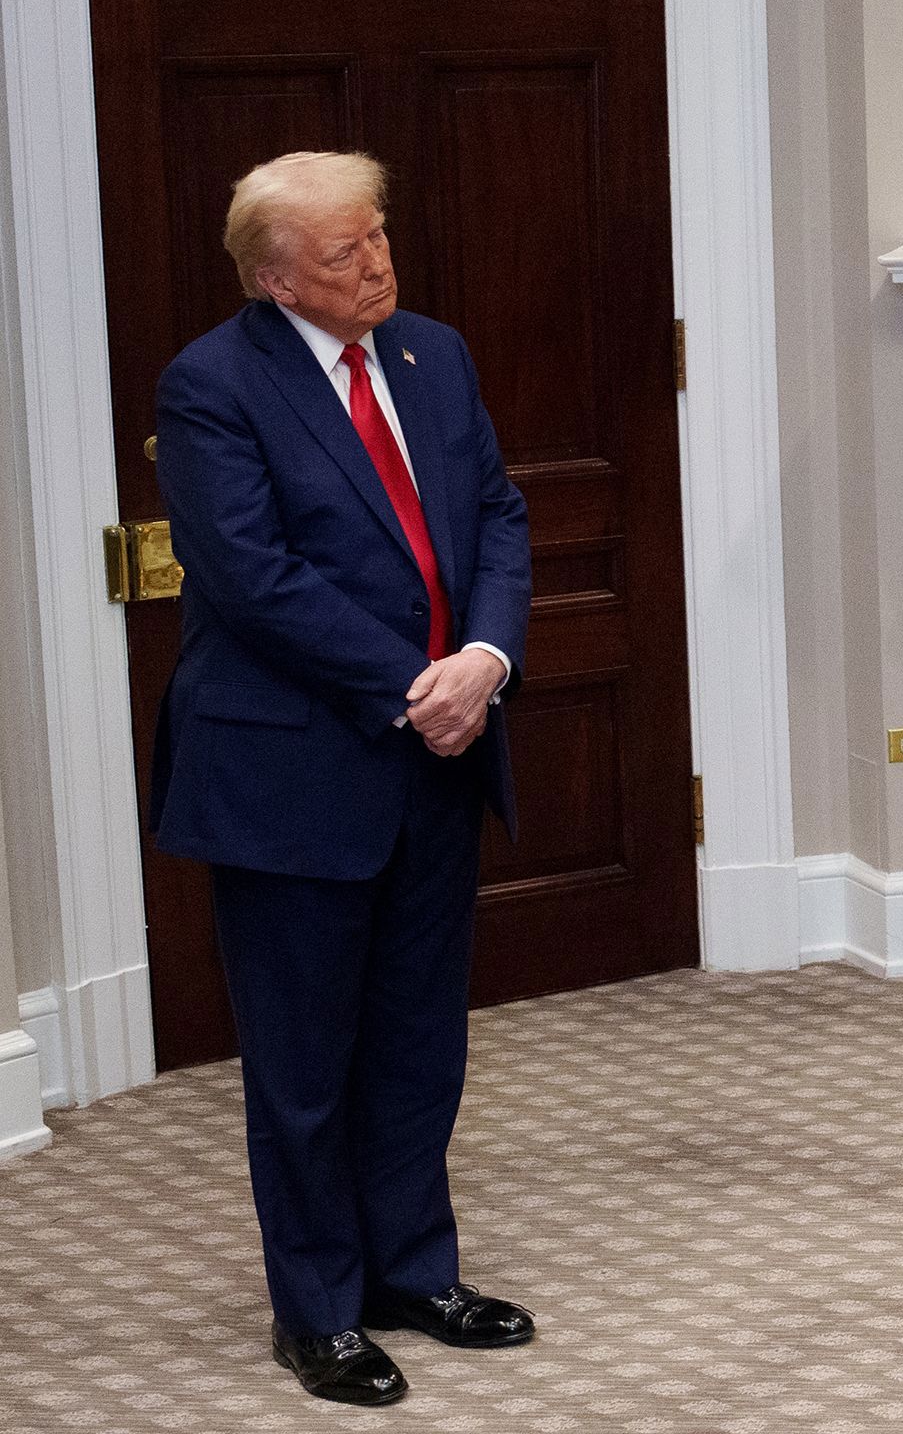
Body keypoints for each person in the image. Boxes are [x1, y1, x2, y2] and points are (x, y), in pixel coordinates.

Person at [150, 152, 537, 1407]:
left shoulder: (435, 353)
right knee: (304, 1063)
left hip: (439, 754)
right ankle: (317, 1310)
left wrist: (484, 658)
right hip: (294, 770)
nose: (375, 262)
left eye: (376, 234)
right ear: (274, 280)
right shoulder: (212, 386)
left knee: (420, 1042)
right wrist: (419, 684)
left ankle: (413, 1272)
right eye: (342, 252)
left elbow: (497, 513)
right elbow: (254, 579)